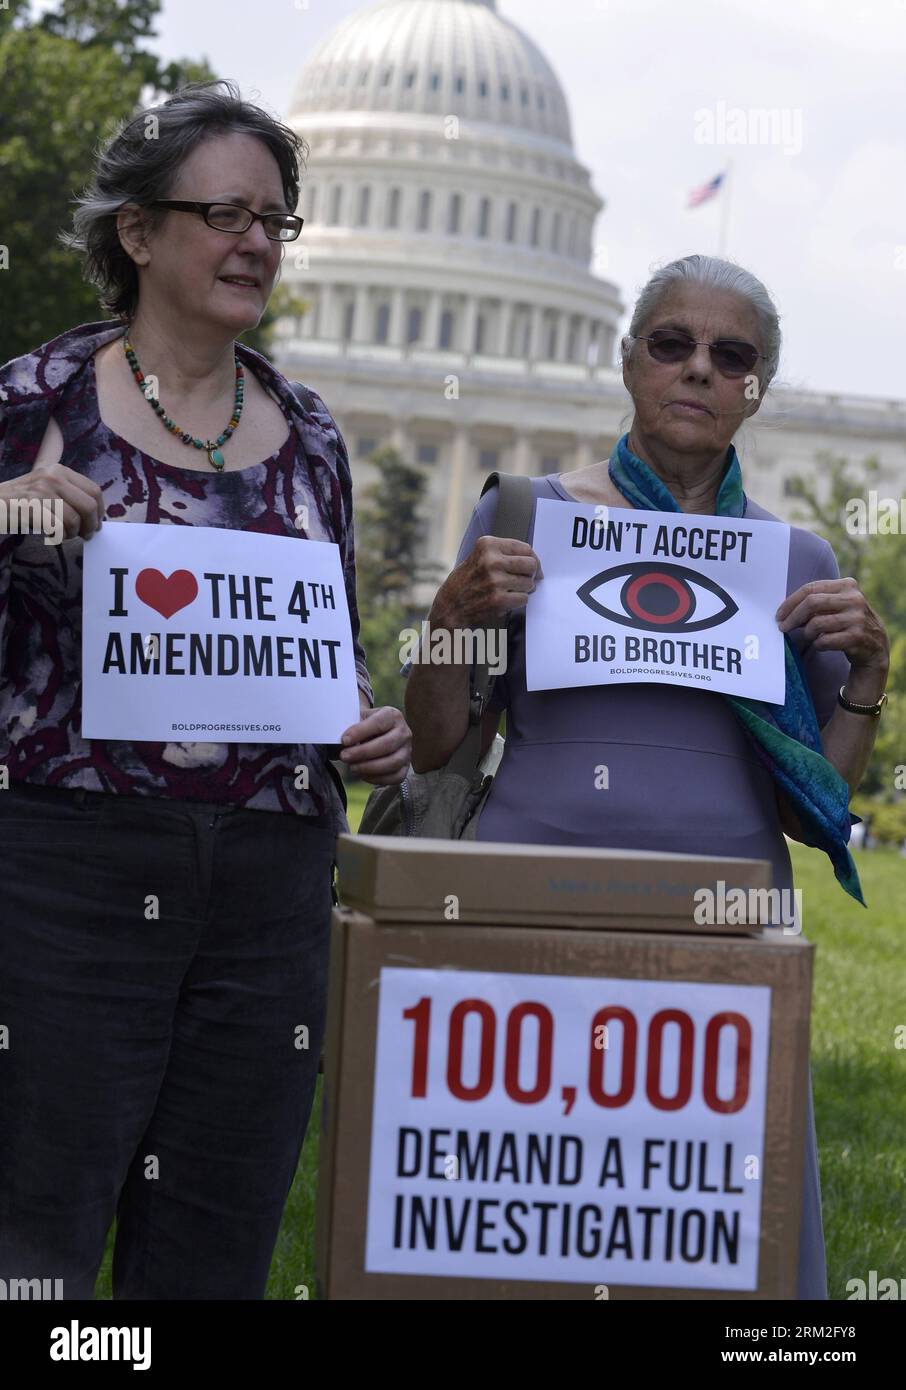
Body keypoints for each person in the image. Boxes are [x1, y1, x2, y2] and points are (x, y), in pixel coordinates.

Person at [405, 255, 890, 1299]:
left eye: (733, 356)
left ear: (756, 388)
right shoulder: (529, 516)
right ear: (629, 360)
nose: (699, 370)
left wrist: (869, 678)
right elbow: (438, 739)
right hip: (524, 908)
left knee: (710, 1214)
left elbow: (815, 810)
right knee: (521, 1209)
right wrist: (448, 621)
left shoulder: (797, 561)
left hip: (724, 923)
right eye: (672, 343)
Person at [0, 81, 411, 1300]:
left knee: (214, 1240)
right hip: (67, 877)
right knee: (40, 1233)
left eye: (277, 220)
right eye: (227, 212)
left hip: (270, 889)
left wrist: (367, 723)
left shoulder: (312, 430)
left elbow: (319, 651)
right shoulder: (34, 402)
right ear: (137, 232)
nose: (258, 244)